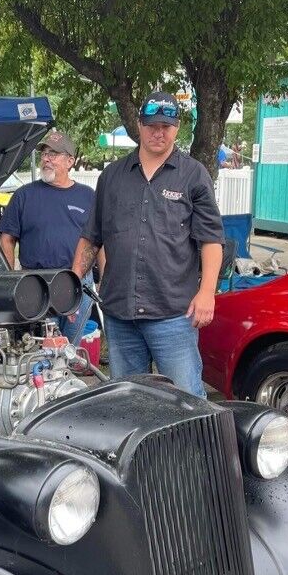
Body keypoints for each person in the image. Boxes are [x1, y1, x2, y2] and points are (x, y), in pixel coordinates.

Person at [70, 91, 223, 398]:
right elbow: (91, 238)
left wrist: (207, 292)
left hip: (174, 315)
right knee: (127, 404)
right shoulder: (112, 176)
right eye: (152, 124)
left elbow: (211, 240)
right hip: (120, 314)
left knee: (186, 405)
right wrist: (72, 286)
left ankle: (186, 449)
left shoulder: (194, 175)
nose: (158, 132)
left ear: (177, 128)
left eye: (166, 126)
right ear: (138, 125)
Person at [0, 128, 96, 342]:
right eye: (44, 154)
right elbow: (7, 239)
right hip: (37, 283)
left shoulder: (88, 196)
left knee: (69, 349)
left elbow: (99, 241)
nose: (46, 159)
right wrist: (8, 280)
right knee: (42, 350)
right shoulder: (24, 195)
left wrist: (105, 280)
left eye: (53, 154)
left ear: (70, 161)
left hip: (79, 283)